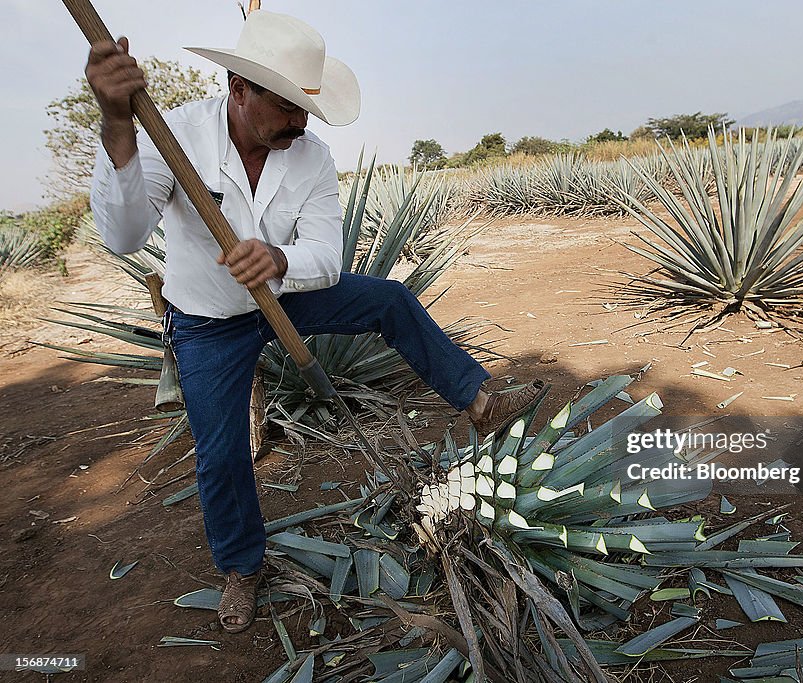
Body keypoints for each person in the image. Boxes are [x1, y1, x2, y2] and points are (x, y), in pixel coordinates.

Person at [86, 10, 544, 633]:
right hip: (210, 321)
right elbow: (123, 235)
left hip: (286, 296)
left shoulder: (311, 157)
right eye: (286, 105)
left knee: (388, 300)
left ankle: (479, 399)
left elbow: (327, 255)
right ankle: (243, 567)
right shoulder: (179, 137)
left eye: (307, 107)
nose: (300, 122)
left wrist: (279, 258)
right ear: (238, 89)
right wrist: (117, 124)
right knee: (221, 458)